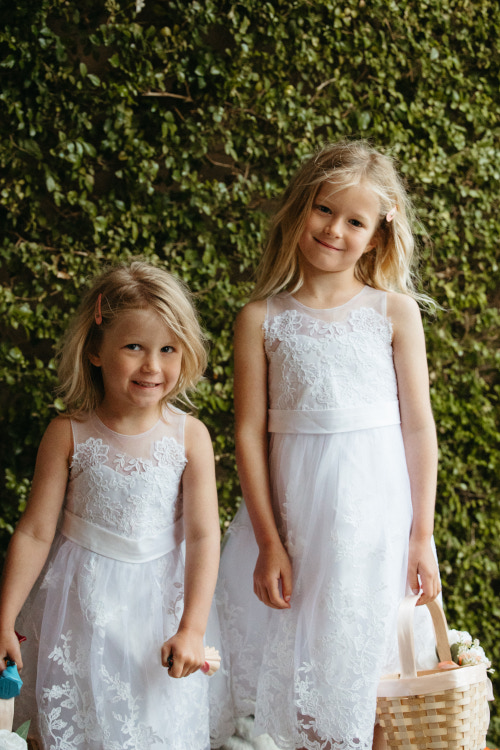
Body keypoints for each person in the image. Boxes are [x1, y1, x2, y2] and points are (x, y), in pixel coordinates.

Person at [211, 140, 441, 750]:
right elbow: (247, 433)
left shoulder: (393, 313)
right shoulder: (261, 317)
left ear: (377, 235)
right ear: (299, 208)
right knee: (300, 666)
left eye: (355, 220)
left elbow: (418, 426)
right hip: (297, 521)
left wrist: (422, 536)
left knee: (371, 668)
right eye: (324, 210)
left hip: (377, 524)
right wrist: (268, 542)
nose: (334, 229)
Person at [0, 261, 221, 749]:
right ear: (96, 350)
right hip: (79, 607)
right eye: (134, 347)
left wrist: (192, 626)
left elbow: (204, 535)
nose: (152, 365)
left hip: (158, 612)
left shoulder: (190, 438)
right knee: (76, 728)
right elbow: (36, 531)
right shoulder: (68, 434)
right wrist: (4, 617)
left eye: (168, 349)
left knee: (153, 728)